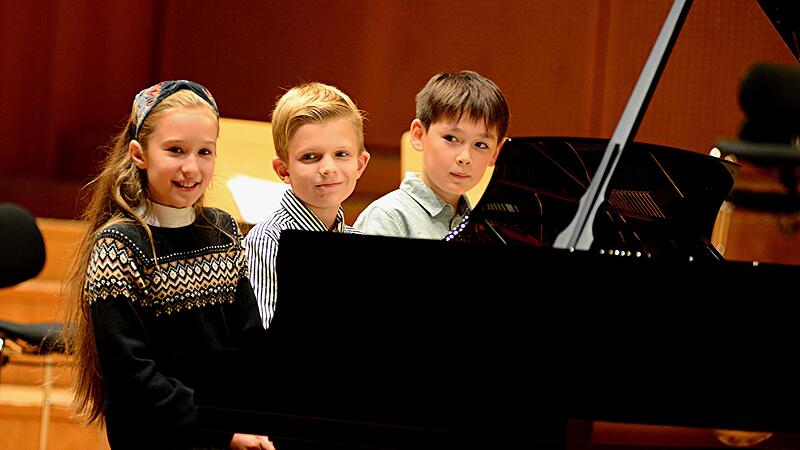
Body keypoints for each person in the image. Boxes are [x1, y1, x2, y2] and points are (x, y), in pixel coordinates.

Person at [63, 80, 275, 450]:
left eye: (204, 152)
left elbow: (249, 341)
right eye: (175, 150)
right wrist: (221, 429)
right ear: (139, 154)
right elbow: (132, 375)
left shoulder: (222, 230)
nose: (191, 167)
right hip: (156, 435)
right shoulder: (120, 246)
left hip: (225, 433)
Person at [244, 82, 370, 329]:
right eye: (310, 157)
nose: (327, 168)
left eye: (341, 154)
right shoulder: (268, 241)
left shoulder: (360, 241)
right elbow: (266, 338)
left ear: (360, 164)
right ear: (283, 170)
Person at [354, 70, 509, 239]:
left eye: (480, 145)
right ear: (419, 135)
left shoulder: (486, 229)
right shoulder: (388, 218)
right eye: (451, 138)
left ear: (495, 153)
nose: (465, 157)